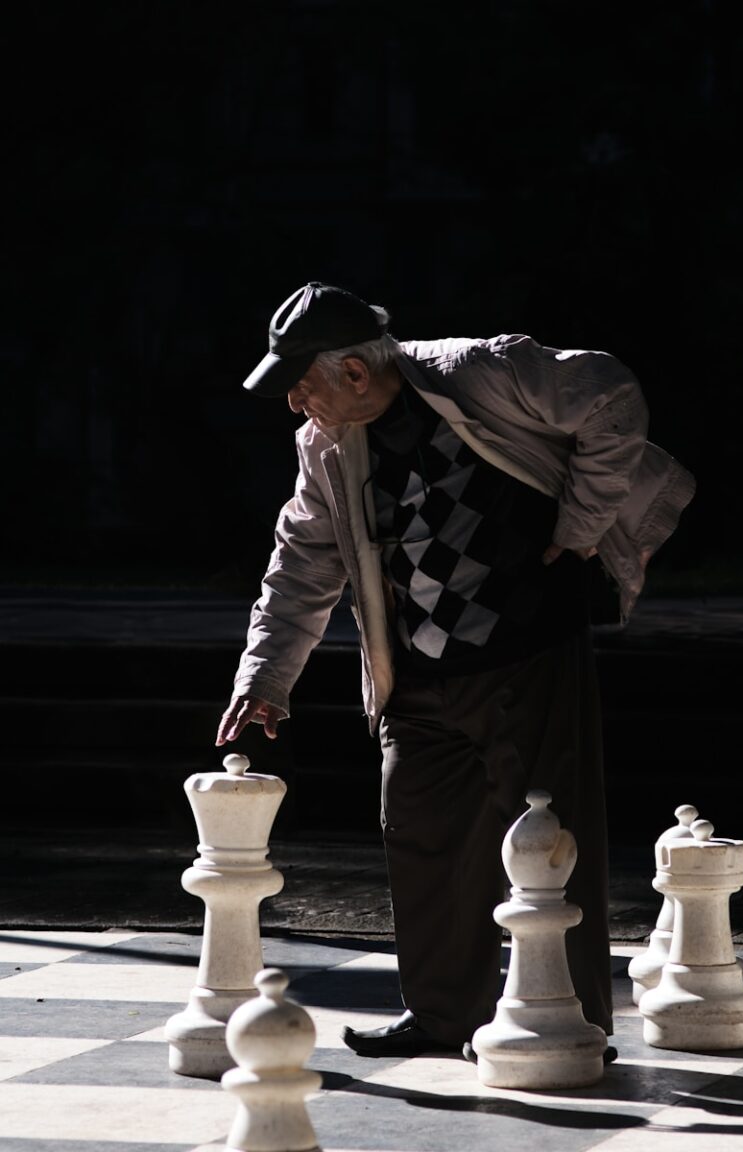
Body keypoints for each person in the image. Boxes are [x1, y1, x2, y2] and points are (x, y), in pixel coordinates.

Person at [216, 281, 695, 1060]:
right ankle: (443, 1015)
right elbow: (302, 560)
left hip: (528, 654)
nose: (296, 405)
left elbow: (612, 398)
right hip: (416, 675)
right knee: (421, 840)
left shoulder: (481, 371)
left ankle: (566, 1019)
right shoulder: (326, 446)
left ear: (357, 375)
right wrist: (264, 679)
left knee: (551, 846)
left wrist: (581, 526)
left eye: (304, 385)